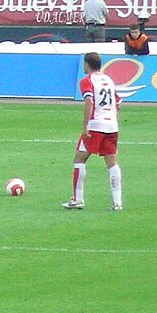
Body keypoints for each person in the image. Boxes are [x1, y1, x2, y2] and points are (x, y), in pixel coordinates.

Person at [64, 52, 122, 211]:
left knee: (79, 159)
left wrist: (85, 125)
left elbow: (89, 101)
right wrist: (113, 119)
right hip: (112, 126)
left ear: (86, 64)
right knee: (112, 163)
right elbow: (118, 103)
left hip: (96, 125)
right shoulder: (108, 80)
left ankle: (78, 199)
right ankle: (117, 202)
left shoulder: (86, 80)